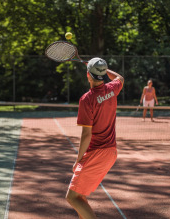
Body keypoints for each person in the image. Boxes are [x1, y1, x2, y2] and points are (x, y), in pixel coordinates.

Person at [65, 57, 124, 219]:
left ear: (87, 75)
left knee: (72, 197)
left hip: (96, 153)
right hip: (110, 152)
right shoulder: (112, 89)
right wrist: (104, 71)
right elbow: (120, 78)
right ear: (104, 74)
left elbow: (86, 135)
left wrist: (78, 160)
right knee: (80, 197)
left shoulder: (87, 99)